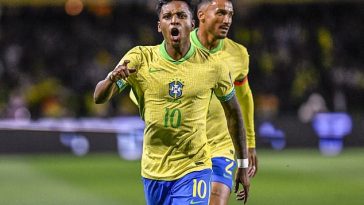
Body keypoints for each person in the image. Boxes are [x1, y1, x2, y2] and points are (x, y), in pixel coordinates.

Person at [93, 1, 250, 204]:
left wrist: (243, 164)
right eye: (167, 17)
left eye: (181, 16)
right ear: (159, 26)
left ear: (192, 24)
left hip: (194, 167)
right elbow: (98, 97)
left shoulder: (213, 67)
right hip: (154, 170)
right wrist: (112, 79)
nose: (174, 20)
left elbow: (234, 114)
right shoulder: (140, 59)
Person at [191, 0, 258, 204]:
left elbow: (244, 98)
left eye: (230, 14)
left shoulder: (238, 53)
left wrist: (250, 144)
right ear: (201, 15)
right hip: (187, 145)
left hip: (221, 145)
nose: (227, 20)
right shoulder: (181, 48)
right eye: (220, 13)